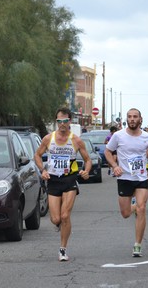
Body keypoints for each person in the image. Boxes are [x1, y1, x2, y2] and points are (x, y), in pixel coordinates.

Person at [34, 107, 92, 262]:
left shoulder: (76, 140)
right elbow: (37, 155)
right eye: (59, 121)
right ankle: (60, 225)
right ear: (56, 122)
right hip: (53, 180)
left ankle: (63, 249)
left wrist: (86, 171)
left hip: (69, 179)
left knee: (65, 215)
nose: (62, 124)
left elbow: (88, 160)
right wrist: (42, 170)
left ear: (70, 121)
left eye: (65, 121)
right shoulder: (48, 139)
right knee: (55, 219)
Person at [105, 108, 148, 258]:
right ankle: (135, 206)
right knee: (125, 213)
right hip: (124, 178)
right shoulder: (118, 136)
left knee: (142, 209)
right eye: (129, 117)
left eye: (135, 117)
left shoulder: (147, 136)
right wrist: (115, 166)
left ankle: (137, 245)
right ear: (126, 119)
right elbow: (107, 152)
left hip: (141, 178)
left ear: (140, 119)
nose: (132, 119)